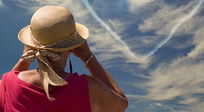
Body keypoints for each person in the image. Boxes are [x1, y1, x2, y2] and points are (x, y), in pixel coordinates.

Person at [0, 6, 128, 112]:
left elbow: (4, 95)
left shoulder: (9, 83)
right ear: (73, 47)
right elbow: (121, 103)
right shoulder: (90, 89)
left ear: (31, 45)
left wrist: (25, 58)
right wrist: (88, 56)